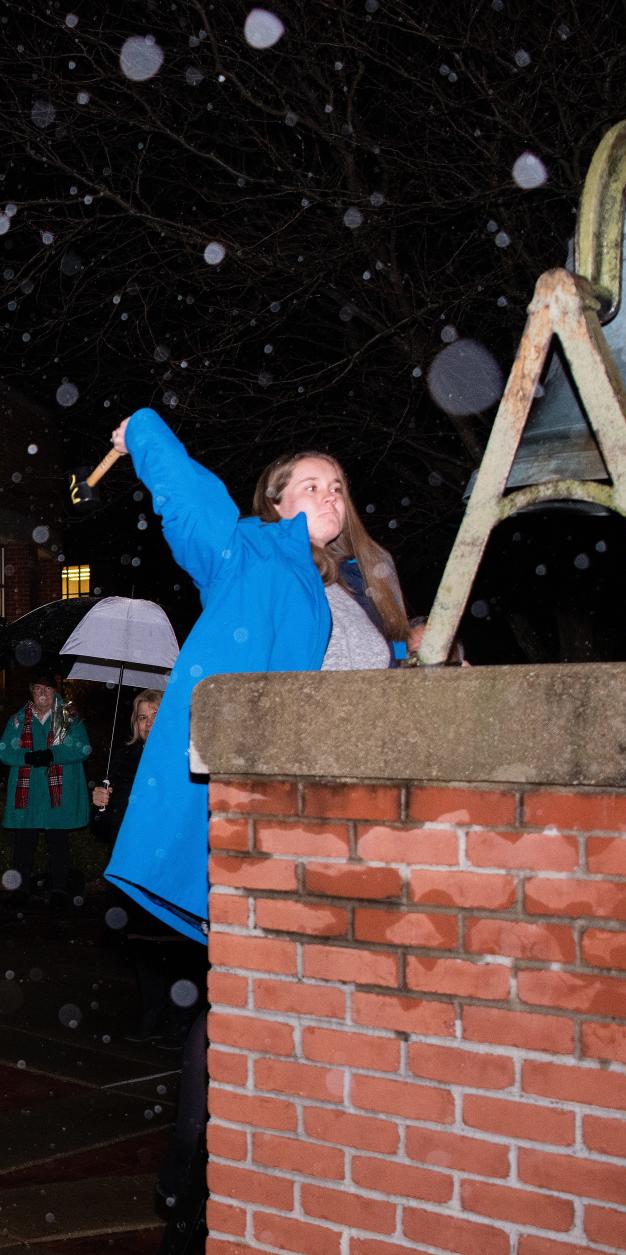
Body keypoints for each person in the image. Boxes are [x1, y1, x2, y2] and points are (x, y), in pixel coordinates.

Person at [101, 406, 408, 1255]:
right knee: (244, 992)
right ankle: (192, 1173)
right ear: (275, 503)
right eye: (309, 483)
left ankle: (289, 1167)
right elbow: (192, 504)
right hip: (274, 819)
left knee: (291, 994)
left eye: (338, 485)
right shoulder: (249, 557)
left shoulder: (363, 590)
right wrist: (146, 434)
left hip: (356, 821)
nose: (328, 494)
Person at [94, 689, 203, 1049]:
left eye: (156, 715)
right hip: (134, 868)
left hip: (169, 865)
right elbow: (106, 827)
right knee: (142, 947)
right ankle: (151, 1013)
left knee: (174, 946)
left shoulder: (182, 758)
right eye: (143, 717)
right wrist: (101, 806)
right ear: (135, 725)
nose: (149, 723)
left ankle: (179, 1018)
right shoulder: (121, 761)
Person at [0, 676, 92, 913]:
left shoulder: (68, 718)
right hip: (28, 793)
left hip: (57, 793)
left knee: (58, 843)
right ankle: (19, 891)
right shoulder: (18, 720)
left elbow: (82, 748)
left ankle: (59, 890)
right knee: (23, 843)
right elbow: (4, 751)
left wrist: (52, 755)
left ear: (55, 691)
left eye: (47, 688)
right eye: (37, 688)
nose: (42, 693)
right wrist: (27, 757)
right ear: (31, 691)